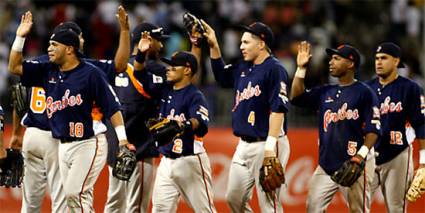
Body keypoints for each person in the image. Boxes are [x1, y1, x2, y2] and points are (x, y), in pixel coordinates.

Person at [8, 6, 130, 213]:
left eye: (54, 44)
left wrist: (123, 140)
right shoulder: (48, 67)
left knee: (70, 196)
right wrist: (20, 38)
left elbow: (112, 106)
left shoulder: (88, 71)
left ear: (69, 48)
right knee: (67, 200)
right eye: (50, 44)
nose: (49, 49)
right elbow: (15, 70)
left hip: (80, 140)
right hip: (58, 140)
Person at [202, 20, 290, 212]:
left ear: (261, 44)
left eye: (246, 42)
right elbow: (222, 77)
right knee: (234, 198)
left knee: (269, 203)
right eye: (241, 42)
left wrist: (269, 148)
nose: (241, 46)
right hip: (244, 145)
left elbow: (278, 109)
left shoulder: (275, 69)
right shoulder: (243, 67)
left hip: (268, 142)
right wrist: (214, 45)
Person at [290, 41, 381, 212]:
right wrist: (301, 69)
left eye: (337, 59)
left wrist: (360, 157)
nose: (331, 62)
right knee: (312, 208)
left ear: (350, 63)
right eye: (331, 58)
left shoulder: (365, 92)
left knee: (357, 210)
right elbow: (296, 97)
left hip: (355, 164)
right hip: (326, 165)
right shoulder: (326, 91)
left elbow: (374, 129)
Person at [134, 48, 215, 212]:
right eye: (168, 65)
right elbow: (139, 75)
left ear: (187, 70)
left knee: (205, 210)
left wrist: (183, 125)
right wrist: (141, 54)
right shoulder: (164, 89)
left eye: (173, 66)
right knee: (160, 210)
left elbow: (200, 121)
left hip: (190, 160)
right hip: (166, 162)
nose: (168, 68)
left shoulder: (194, 95)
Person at [104, 22, 168, 213]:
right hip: (140, 146)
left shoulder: (114, 67)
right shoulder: (156, 69)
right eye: (158, 40)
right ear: (146, 40)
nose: (161, 46)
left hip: (117, 144)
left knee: (114, 203)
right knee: (136, 207)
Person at [367, 42, 425, 212]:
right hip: (370, 155)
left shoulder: (411, 88)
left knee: (395, 208)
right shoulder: (367, 88)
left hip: (397, 155)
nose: (378, 62)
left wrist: (423, 162)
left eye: (384, 58)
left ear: (396, 61)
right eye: (376, 58)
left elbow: (421, 123)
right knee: (357, 205)